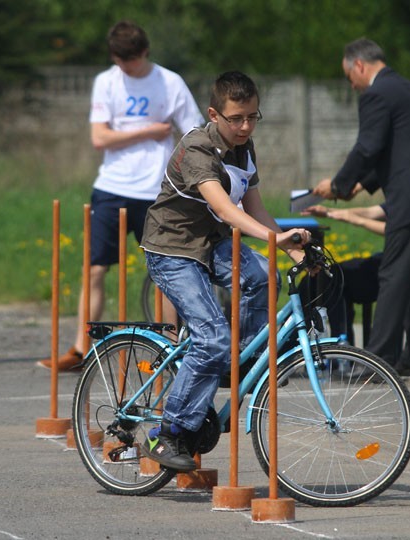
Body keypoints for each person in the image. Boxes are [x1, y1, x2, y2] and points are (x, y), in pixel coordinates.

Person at [138, 71, 310, 470]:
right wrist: (275, 241)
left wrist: (294, 253)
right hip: (172, 248)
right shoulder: (197, 147)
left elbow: (255, 208)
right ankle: (167, 433)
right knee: (213, 337)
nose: (246, 126)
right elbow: (223, 208)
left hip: (211, 244)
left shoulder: (245, 149)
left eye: (253, 116)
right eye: (237, 118)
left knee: (263, 276)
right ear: (215, 114)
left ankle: (241, 362)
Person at [38, 20, 204, 371]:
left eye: (131, 60)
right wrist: (151, 131)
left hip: (158, 191)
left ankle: (167, 348)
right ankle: (81, 349)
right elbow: (100, 138)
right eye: (119, 61)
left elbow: (193, 134)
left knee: (166, 271)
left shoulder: (170, 82)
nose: (125, 67)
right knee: (95, 269)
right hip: (113, 188)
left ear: (144, 52)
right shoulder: (106, 81)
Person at [312, 38, 410, 377]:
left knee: (392, 277)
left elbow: (368, 147)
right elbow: (398, 150)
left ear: (360, 66)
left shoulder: (376, 95)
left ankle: (376, 362)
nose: (351, 86)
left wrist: (337, 186)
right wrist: (357, 187)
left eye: (350, 77)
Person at [301, 199, 410, 346]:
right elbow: (372, 212)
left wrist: (356, 220)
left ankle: (339, 350)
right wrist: (330, 212)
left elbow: (402, 233)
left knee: (331, 278)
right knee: (322, 276)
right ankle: (337, 348)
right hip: (394, 261)